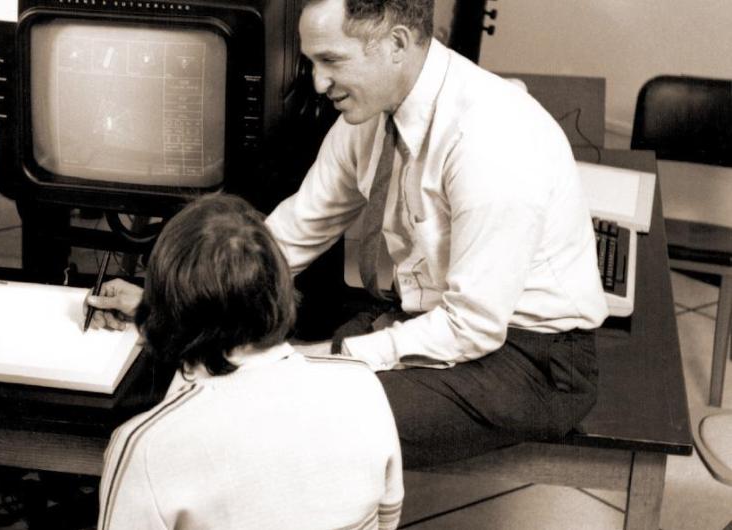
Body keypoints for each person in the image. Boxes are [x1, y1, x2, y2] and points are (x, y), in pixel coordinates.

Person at [88, 0, 607, 468]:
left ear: (397, 43)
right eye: (312, 62)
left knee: (288, 413)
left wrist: (324, 358)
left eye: (332, 60)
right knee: (236, 378)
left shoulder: (489, 140)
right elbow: (289, 238)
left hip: (531, 358)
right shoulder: (368, 119)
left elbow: (472, 326)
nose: (318, 83)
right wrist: (166, 304)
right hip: (426, 318)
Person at [97, 194, 402, 530]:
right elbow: (387, 520)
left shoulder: (145, 447)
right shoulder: (363, 387)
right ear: (281, 285)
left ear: (163, 301)